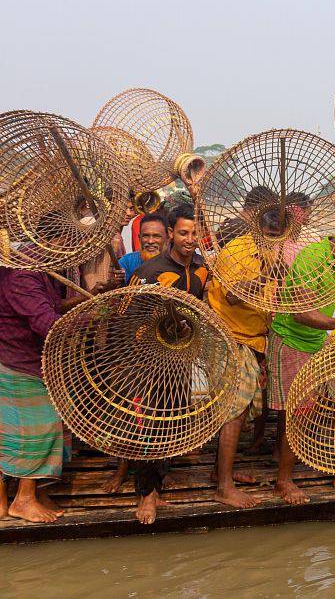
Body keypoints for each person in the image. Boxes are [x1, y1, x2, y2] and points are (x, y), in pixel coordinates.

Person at [0, 214, 110, 523]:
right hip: (17, 361)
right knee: (40, 428)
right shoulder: (23, 272)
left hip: (30, 358)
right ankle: (22, 499)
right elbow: (47, 325)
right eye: (71, 243)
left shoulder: (43, 269)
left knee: (27, 429)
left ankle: (25, 495)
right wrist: (92, 317)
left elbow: (49, 307)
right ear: (54, 241)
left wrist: (89, 302)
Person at [266, 212, 335, 504]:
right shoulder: (313, 258)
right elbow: (301, 314)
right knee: (296, 412)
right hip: (290, 340)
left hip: (317, 341)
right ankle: (283, 481)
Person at [126, 204, 210, 524]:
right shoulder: (149, 272)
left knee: (173, 417)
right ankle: (147, 493)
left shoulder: (202, 268)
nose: (190, 239)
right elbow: (127, 316)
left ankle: (161, 476)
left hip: (181, 355)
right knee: (149, 424)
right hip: (148, 359)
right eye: (183, 232)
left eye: (195, 233)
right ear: (171, 234)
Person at [204, 208, 288, 510]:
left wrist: (279, 274)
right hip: (230, 337)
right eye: (270, 232)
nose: (274, 237)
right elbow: (232, 296)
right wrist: (266, 275)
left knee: (237, 408)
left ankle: (220, 473)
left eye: (278, 234)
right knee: (234, 411)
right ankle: (224, 488)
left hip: (252, 337)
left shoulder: (271, 252)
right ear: (257, 227)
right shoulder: (237, 251)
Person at [118, 212, 169, 283]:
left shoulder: (175, 263)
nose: (150, 241)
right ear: (139, 238)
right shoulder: (127, 262)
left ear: (167, 238)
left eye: (156, 236)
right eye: (146, 236)